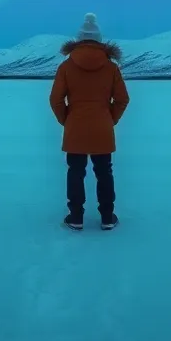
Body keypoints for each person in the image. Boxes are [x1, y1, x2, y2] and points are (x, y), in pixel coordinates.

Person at [49, 12, 130, 231]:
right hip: (102, 128)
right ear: (99, 39)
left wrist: (67, 119)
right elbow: (122, 99)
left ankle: (75, 217)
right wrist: (109, 118)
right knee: (104, 171)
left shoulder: (66, 67)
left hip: (75, 125)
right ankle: (106, 217)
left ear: (79, 39)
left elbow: (56, 99)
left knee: (75, 171)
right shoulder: (112, 67)